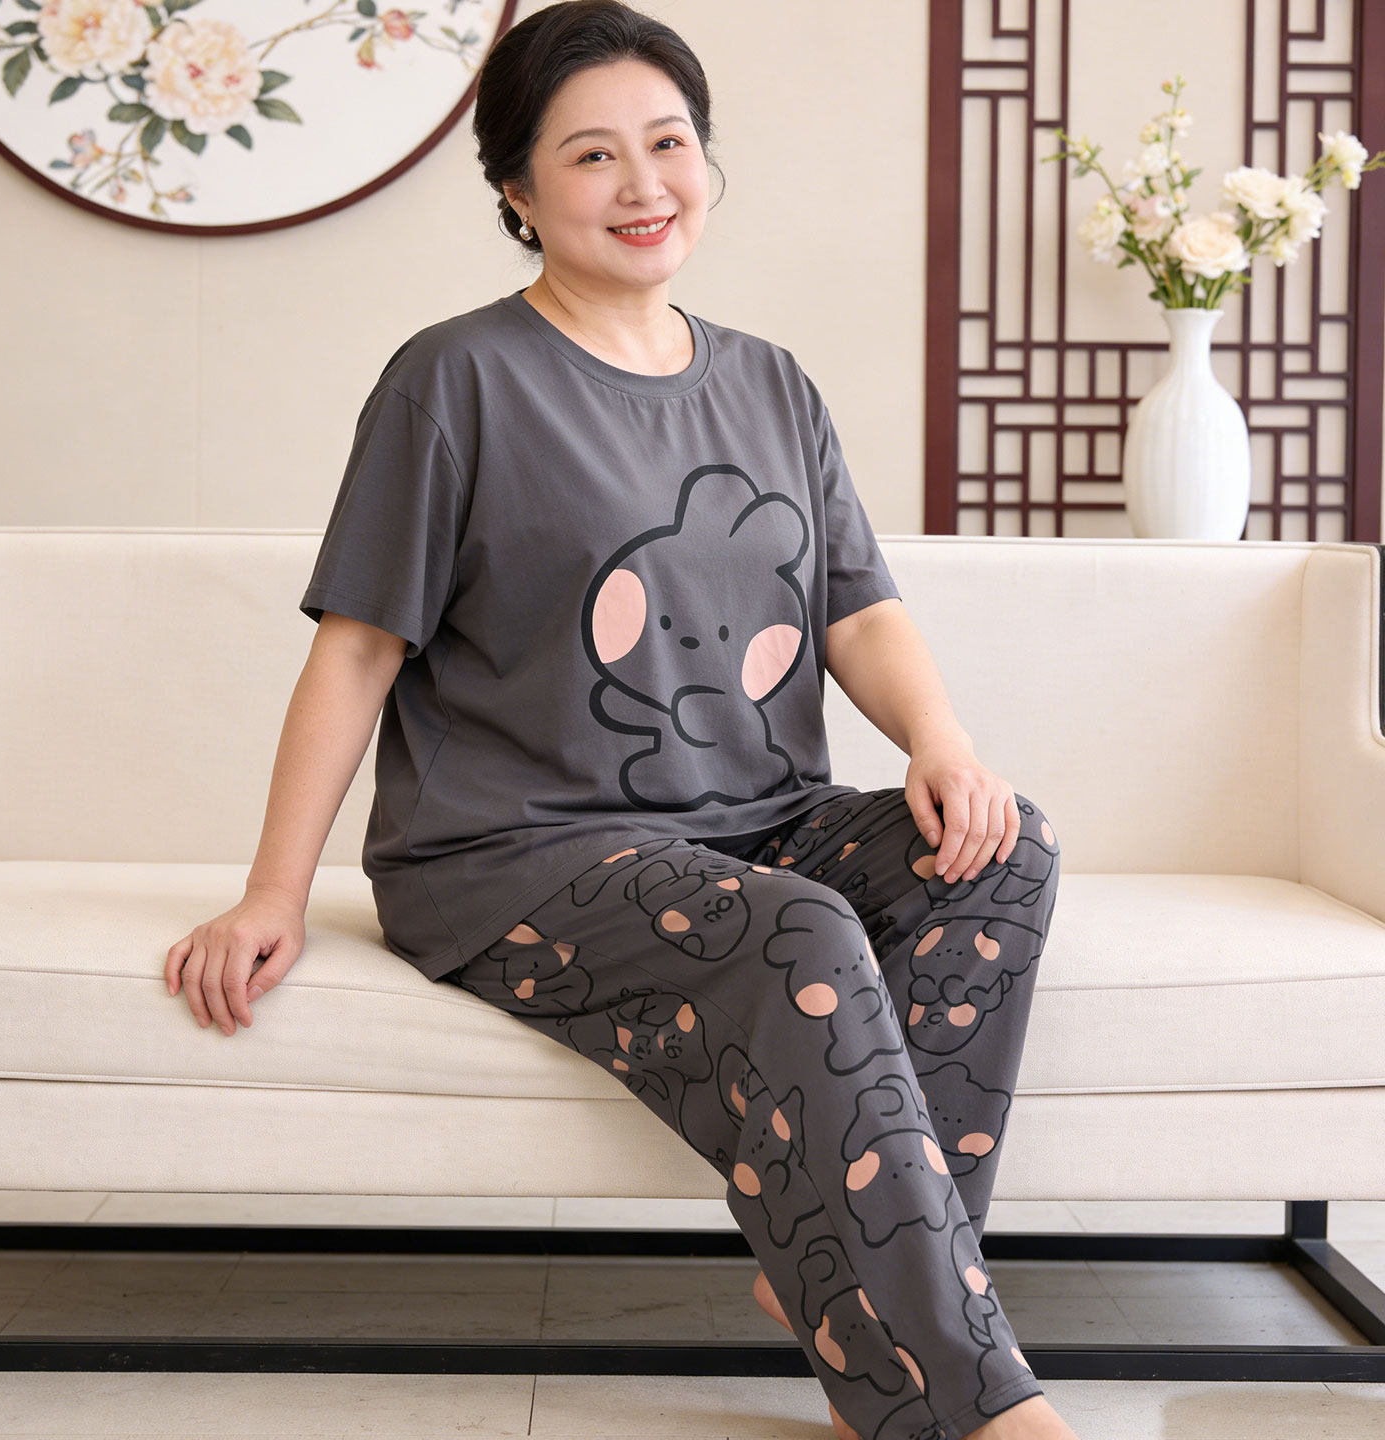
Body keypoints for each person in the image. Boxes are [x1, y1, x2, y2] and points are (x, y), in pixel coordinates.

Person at [163, 5, 1076, 1439]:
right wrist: (274, 891)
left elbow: (855, 610)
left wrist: (940, 744)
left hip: (754, 826)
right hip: (517, 855)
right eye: (592, 155)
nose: (644, 184)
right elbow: (359, 648)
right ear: (517, 191)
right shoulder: (455, 379)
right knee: (799, 930)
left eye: (669, 143)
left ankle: (843, 1278)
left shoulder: (771, 381)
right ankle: (970, 1402)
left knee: (1002, 851)